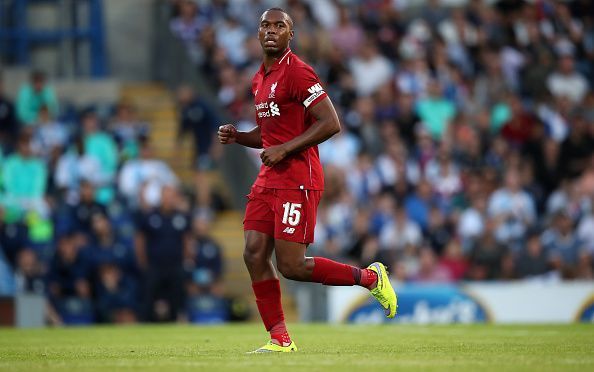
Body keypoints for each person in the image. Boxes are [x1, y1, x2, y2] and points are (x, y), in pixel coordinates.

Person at [217, 8, 397, 353]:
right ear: (257, 34)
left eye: (279, 26)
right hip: (269, 177)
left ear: (290, 34)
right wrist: (240, 137)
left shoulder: (298, 72)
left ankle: (371, 278)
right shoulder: (259, 78)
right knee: (254, 254)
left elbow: (331, 122)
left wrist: (284, 150)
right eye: (265, 25)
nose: (271, 31)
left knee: (292, 266)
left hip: (298, 178)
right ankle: (279, 339)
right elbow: (271, 134)